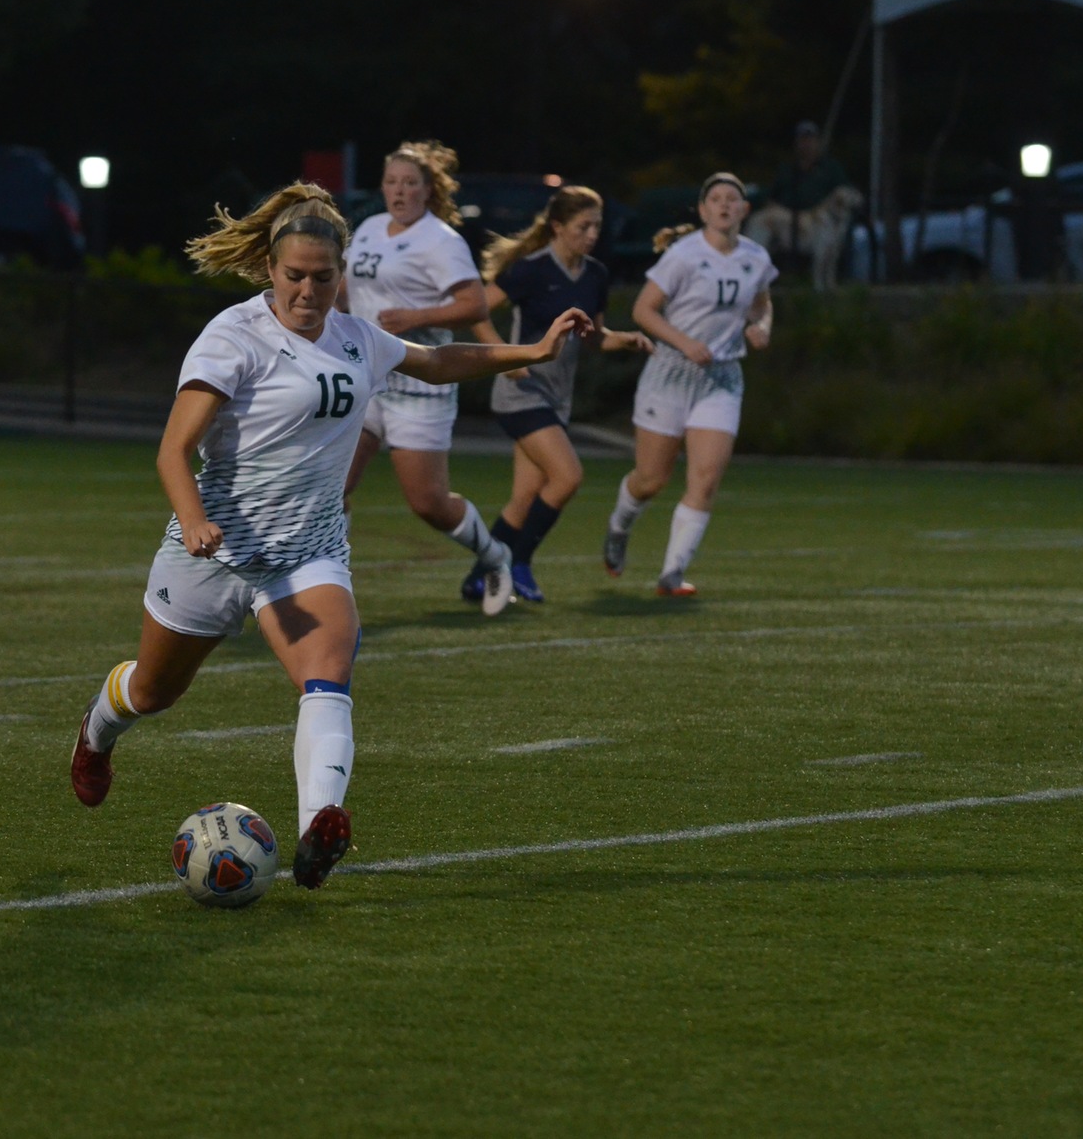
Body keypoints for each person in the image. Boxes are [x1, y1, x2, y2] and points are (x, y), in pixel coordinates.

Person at [68, 184, 593, 890]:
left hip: (308, 555)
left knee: (327, 679)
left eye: (322, 278)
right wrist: (194, 520)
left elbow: (436, 362)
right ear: (270, 271)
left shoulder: (356, 337)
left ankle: (321, 827)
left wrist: (531, 348)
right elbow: (172, 449)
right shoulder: (234, 336)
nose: (308, 292)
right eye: (294, 277)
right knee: (152, 691)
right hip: (215, 554)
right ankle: (95, 736)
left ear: (341, 274)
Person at [338, 141, 513, 615]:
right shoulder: (370, 229)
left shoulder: (441, 240)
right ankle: (327, 583)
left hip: (420, 384)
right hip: (366, 378)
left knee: (429, 503)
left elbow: (474, 304)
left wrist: (415, 318)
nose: (399, 191)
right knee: (330, 488)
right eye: (392, 182)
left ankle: (496, 556)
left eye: (410, 183)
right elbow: (346, 287)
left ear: (428, 189)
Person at [459, 186, 652, 604]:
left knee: (525, 498)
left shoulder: (595, 275)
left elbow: (595, 337)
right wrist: (505, 360)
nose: (592, 234)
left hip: (554, 399)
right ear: (558, 227)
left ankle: (482, 576)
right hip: (520, 393)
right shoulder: (531, 269)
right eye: (584, 226)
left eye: (597, 226)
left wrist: (628, 340)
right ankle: (520, 563)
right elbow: (478, 311)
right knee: (567, 476)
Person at [601, 173, 775, 596]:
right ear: (702, 211)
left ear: (744, 210)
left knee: (706, 479)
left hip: (721, 378)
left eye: (732, 200)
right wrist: (683, 342)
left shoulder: (755, 257)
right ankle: (619, 526)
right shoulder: (683, 255)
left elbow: (761, 306)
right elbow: (644, 310)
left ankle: (672, 574)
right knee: (651, 479)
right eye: (715, 199)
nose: (724, 206)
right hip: (671, 373)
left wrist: (762, 328)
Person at [770, 121, 850, 214]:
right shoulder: (785, 169)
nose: (807, 144)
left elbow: (845, 193)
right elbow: (772, 197)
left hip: (821, 222)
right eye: (802, 140)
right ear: (796, 143)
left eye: (810, 139)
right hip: (788, 221)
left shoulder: (831, 168)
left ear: (818, 142)